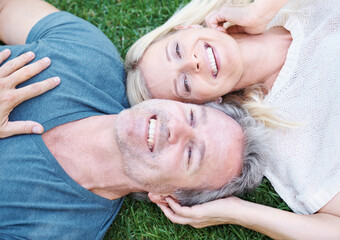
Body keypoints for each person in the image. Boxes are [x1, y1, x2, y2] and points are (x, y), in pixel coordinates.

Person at [0, 0, 270, 239]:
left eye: (190, 153)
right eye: (191, 116)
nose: (174, 128)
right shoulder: (89, 56)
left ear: (167, 197)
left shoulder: (60, 230)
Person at [125, 0, 340, 238]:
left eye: (176, 51)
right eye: (185, 83)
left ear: (188, 29)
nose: (192, 62)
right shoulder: (288, 133)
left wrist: (260, 11)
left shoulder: (263, 7)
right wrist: (237, 211)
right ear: (208, 106)